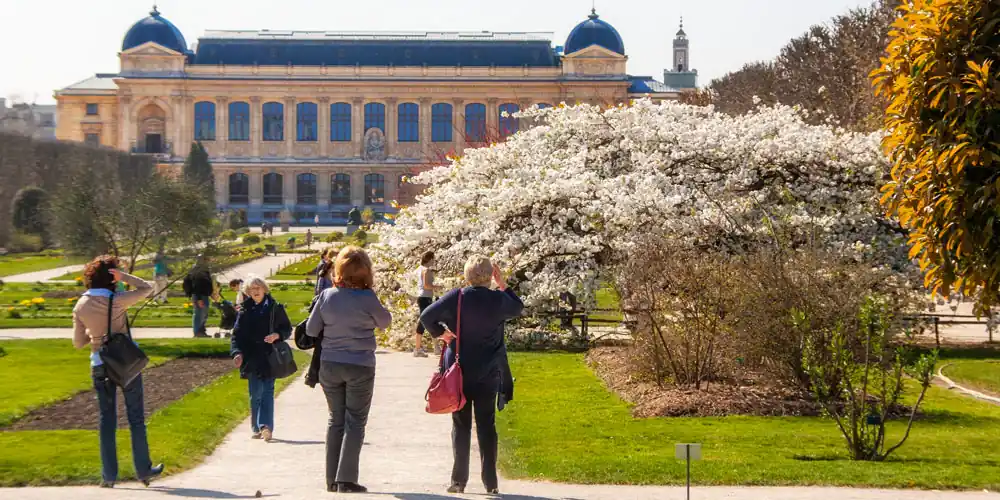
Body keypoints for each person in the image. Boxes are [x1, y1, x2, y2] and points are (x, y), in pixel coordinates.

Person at [420, 256, 522, 495]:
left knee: (461, 424)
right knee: (487, 425)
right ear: (491, 275)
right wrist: (503, 284)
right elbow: (518, 307)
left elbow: (426, 316)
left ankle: (458, 481)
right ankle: (490, 482)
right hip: (488, 369)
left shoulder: (457, 297)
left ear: (467, 275)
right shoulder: (498, 299)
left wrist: (442, 333)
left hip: (459, 370)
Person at [72, 255, 164, 488]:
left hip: (99, 363)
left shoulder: (80, 305)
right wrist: (125, 277)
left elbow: (78, 343)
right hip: (124, 361)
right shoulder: (116, 300)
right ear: (112, 277)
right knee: (135, 417)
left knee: (107, 419)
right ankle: (143, 470)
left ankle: (109, 476)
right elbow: (147, 288)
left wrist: (95, 335)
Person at [306, 246, 391, 493]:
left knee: (336, 419)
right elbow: (385, 322)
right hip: (359, 364)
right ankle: (346, 479)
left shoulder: (327, 296)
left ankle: (331, 479)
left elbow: (311, 329)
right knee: (355, 421)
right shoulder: (367, 298)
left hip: (330, 364)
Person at [230, 275, 292, 442]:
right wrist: (237, 353)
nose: (255, 291)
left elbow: (287, 329)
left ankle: (266, 426)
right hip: (252, 357)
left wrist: (277, 335)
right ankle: (257, 427)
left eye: (258, 288)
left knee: (267, 391)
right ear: (248, 292)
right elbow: (236, 336)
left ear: (264, 289)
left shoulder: (275, 308)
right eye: (251, 289)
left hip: (269, 355)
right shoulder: (244, 311)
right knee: (255, 393)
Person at [413, 251, 441, 358]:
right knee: (424, 322)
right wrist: (436, 287)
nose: (434, 261)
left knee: (429, 321)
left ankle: (435, 347)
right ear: (430, 259)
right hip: (425, 298)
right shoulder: (426, 270)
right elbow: (426, 285)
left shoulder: (420, 269)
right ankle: (418, 349)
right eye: (433, 259)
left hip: (423, 298)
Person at [183, 255, 213, 338]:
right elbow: (197, 285)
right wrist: (199, 299)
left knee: (203, 314)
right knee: (200, 314)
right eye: (206, 260)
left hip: (202, 295)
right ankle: (198, 332)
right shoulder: (199, 271)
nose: (208, 262)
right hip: (200, 296)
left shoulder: (199, 270)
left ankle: (201, 331)